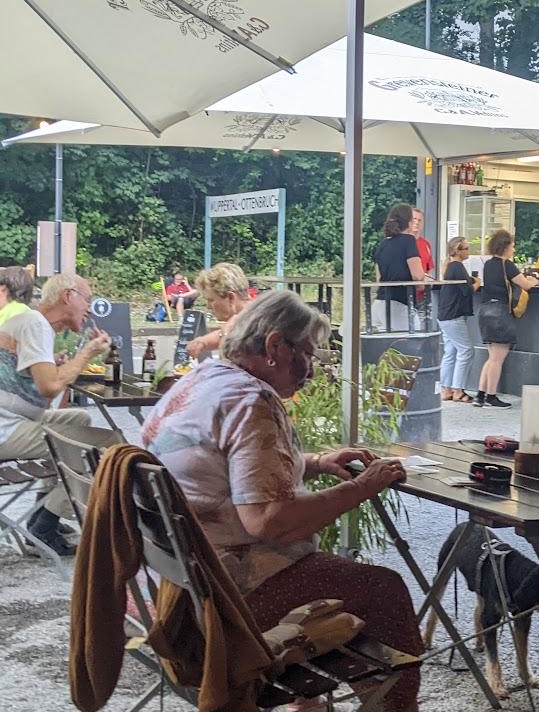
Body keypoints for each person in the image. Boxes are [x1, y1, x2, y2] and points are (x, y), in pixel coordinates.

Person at [141, 291, 419, 711]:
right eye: (308, 352)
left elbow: (228, 470)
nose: (313, 368)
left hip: (179, 580)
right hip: (224, 600)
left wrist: (316, 462)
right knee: (383, 589)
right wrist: (361, 487)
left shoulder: (204, 379)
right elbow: (270, 520)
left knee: (329, 574)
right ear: (275, 347)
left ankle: (309, 706)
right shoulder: (253, 399)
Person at [0, 273, 122, 556]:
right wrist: (87, 354)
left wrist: (52, 363)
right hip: (7, 429)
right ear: (68, 296)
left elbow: (20, 371)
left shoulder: (28, 321)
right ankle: (44, 525)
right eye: (87, 300)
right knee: (108, 444)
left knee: (78, 420)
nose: (90, 309)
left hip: (11, 419)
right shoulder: (35, 325)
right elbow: (49, 388)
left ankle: (43, 513)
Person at [475, 229, 537, 408]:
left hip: (485, 310)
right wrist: (533, 281)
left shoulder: (488, 264)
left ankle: (480, 395)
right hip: (499, 312)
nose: (514, 249)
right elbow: (525, 284)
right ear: (505, 247)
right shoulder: (507, 265)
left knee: (491, 356)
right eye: (512, 246)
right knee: (497, 359)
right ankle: (491, 396)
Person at [372, 203, 428, 331]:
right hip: (400, 303)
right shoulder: (409, 240)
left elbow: (379, 277)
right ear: (408, 222)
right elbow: (417, 275)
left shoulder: (383, 244)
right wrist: (423, 281)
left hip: (379, 303)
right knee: (411, 345)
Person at [438, 236, 477, 403]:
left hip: (444, 315)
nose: (468, 251)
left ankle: (445, 388)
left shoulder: (450, 267)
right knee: (466, 350)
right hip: (454, 316)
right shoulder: (458, 266)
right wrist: (477, 283)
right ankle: (458, 390)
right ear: (457, 251)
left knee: (451, 351)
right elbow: (467, 291)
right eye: (466, 248)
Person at [187, 262, 252, 360]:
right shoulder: (246, 319)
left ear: (231, 298)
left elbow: (227, 332)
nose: (208, 306)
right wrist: (203, 342)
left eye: (211, 300)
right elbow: (222, 333)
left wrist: (225, 336)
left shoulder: (255, 327)